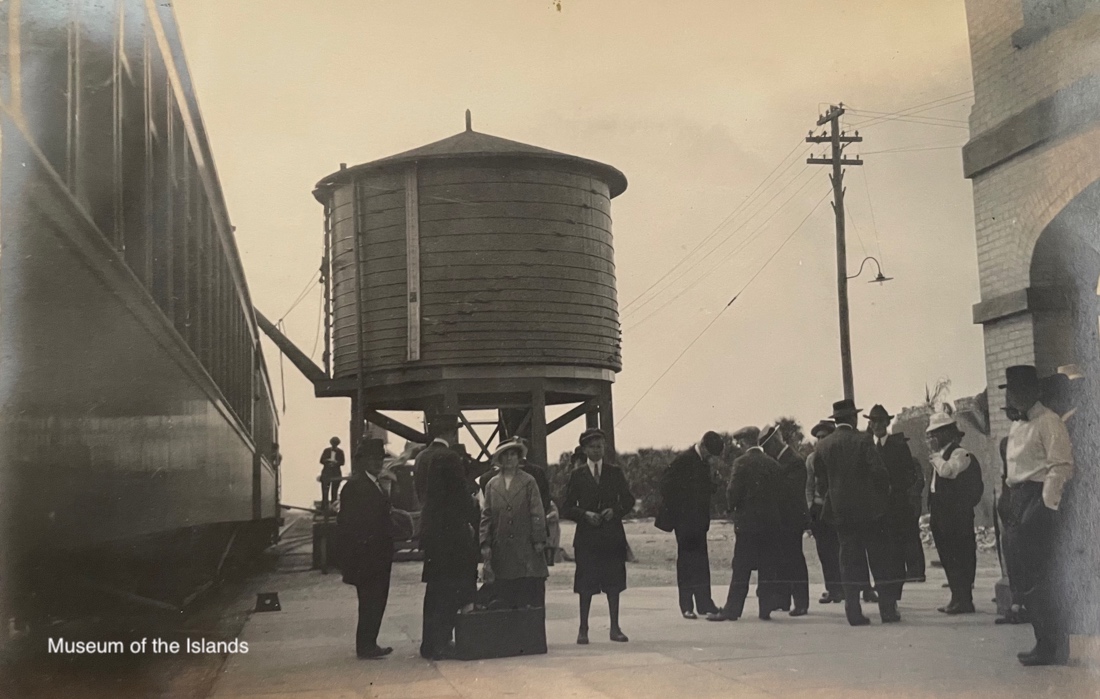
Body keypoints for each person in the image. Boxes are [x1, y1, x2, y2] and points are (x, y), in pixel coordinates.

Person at [1000, 365, 1075, 666]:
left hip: (1038, 499)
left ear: (1035, 391)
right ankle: (1042, 641)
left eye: (1020, 390)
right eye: (1011, 390)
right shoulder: (1017, 425)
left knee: (1042, 576)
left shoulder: (1049, 421)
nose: (1014, 396)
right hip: (1017, 498)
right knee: (1023, 575)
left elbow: (1061, 466)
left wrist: (1046, 505)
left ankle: (1054, 644)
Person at [815, 399, 902, 626]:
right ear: (853, 418)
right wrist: (880, 497)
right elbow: (879, 473)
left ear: (836, 420)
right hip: (870, 512)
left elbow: (821, 482)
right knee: (879, 560)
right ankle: (887, 611)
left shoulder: (823, 445)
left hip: (841, 514)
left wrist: (835, 498)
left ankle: (853, 611)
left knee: (848, 562)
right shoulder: (863, 440)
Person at [561, 428, 636, 644]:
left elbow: (628, 500)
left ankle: (615, 628)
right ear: (584, 449)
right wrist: (584, 514)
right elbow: (566, 507)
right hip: (587, 538)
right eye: (592, 447)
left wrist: (615, 511)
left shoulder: (614, 472)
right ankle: (583, 629)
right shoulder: (578, 475)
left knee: (614, 585)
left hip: (612, 536)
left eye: (600, 446)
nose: (597, 450)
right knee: (586, 586)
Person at [707, 426, 784, 622]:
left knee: (741, 568)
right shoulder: (773, 464)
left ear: (743, 442)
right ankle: (765, 608)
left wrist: (732, 509)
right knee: (767, 566)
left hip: (747, 524)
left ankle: (732, 610)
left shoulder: (740, 463)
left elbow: (732, 492)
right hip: (770, 524)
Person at [419, 446, 480, 660]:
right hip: (455, 555)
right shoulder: (457, 492)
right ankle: (442, 643)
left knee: (434, 599)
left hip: (436, 556)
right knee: (450, 599)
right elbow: (469, 512)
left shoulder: (432, 499)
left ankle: (430, 644)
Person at [336, 438, 394, 659]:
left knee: (375, 601)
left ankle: (369, 643)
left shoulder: (373, 484)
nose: (378, 462)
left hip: (377, 555)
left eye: (380, 459)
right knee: (371, 601)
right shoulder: (356, 486)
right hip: (368, 557)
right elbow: (348, 523)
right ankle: (366, 645)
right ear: (362, 461)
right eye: (372, 459)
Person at [656, 431, 724, 619]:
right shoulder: (683, 459)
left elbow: (701, 489)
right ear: (703, 445)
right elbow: (665, 485)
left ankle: (704, 604)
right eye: (710, 454)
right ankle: (686, 606)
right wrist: (682, 506)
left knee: (701, 562)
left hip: (699, 521)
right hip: (684, 522)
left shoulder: (703, 462)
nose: (711, 458)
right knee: (686, 563)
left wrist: (713, 485)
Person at [479, 439, 549, 609]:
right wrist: (485, 542)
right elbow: (486, 515)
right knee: (504, 593)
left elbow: (537, 511)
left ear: (519, 458)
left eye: (513, 455)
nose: (509, 458)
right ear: (499, 459)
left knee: (527, 591)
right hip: (501, 547)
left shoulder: (529, 481)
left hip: (525, 545)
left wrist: (539, 539)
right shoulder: (492, 484)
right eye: (505, 455)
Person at [926, 412, 983, 614]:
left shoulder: (960, 454)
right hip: (940, 514)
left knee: (961, 556)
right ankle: (956, 597)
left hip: (956, 516)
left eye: (936, 433)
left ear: (947, 433)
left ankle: (964, 599)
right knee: (948, 557)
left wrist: (935, 456)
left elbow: (948, 472)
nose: (932, 438)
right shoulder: (940, 456)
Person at [866, 404, 924, 587]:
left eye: (880, 421)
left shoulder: (898, 445)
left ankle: (902, 580)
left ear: (887, 423)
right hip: (876, 506)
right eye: (873, 422)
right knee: (880, 547)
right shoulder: (868, 447)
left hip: (897, 504)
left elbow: (910, 474)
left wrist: (896, 487)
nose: (877, 425)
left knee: (899, 543)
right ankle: (885, 582)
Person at [760, 425, 810, 616]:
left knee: (794, 559)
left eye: (767, 447)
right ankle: (782, 599)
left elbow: (790, 492)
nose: (766, 451)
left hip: (792, 518)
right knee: (780, 558)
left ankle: (801, 602)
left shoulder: (794, 460)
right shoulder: (779, 460)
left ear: (775, 442)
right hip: (780, 518)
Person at [806, 420, 844, 604]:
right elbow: (809, 486)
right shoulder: (811, 459)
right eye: (818, 437)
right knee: (824, 551)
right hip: (819, 508)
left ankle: (845, 588)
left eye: (824, 437)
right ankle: (832, 589)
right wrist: (810, 507)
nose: (820, 440)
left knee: (840, 549)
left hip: (836, 507)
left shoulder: (838, 456)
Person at [414, 416, 458, 509]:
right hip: (446, 514)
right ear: (449, 433)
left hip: (425, 513)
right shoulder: (450, 456)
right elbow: (457, 490)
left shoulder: (420, 456)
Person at [319, 436, 345, 511]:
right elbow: (321, 460)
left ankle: (333, 508)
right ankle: (324, 508)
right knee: (325, 492)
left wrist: (336, 463)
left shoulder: (340, 452)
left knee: (334, 492)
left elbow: (342, 462)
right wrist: (328, 461)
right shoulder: (326, 450)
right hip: (326, 473)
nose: (334, 445)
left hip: (335, 473)